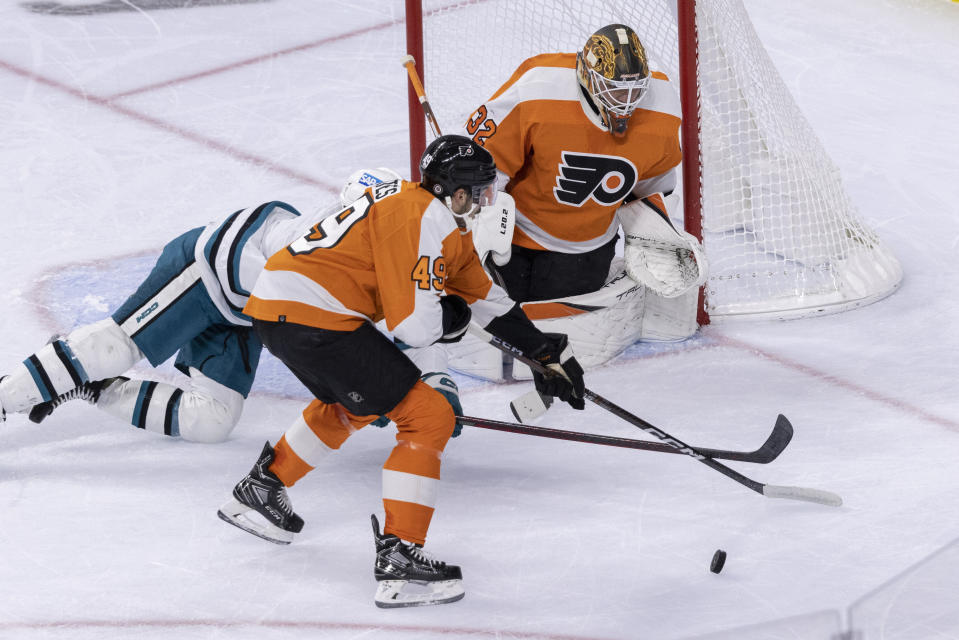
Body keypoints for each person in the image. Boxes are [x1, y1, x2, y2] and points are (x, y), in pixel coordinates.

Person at [216, 134, 586, 608]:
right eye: (479, 191)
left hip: (281, 308)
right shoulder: (422, 217)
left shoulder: (430, 218)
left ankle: (262, 490)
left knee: (357, 403)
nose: (485, 200)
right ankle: (400, 556)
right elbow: (415, 327)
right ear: (456, 194)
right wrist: (450, 314)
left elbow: (485, 299)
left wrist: (545, 353)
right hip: (313, 314)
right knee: (429, 416)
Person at [0, 168, 402, 442]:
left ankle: (91, 384)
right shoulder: (318, 250)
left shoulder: (373, 252)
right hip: (207, 270)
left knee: (212, 421)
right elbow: (313, 341)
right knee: (115, 348)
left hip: (244, 310)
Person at [443, 23, 708, 382]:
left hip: (586, 243)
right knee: (496, 313)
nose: (625, 102)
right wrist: (477, 222)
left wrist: (655, 230)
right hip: (515, 234)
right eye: (614, 89)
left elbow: (652, 188)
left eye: (634, 91)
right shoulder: (538, 88)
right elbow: (483, 163)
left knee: (550, 329)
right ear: (586, 74)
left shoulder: (661, 109)